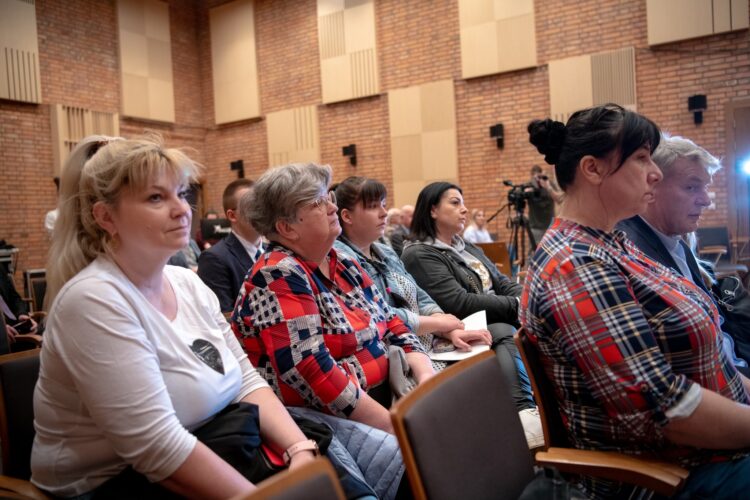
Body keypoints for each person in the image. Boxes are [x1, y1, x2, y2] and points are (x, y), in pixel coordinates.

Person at [32, 135, 316, 498]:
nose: (182, 209)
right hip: (112, 485)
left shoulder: (186, 282)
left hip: (217, 445)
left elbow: (245, 378)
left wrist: (300, 450)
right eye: (156, 197)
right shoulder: (93, 300)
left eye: (181, 193)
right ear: (105, 217)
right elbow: (157, 448)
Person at [524, 104, 750, 498]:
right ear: (593, 169)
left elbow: (713, 356)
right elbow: (666, 409)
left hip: (708, 452)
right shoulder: (576, 265)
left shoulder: (611, 242)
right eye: (642, 158)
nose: (655, 172)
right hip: (671, 475)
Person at [231, 163, 432, 498]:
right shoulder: (277, 273)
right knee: (428, 461)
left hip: (388, 395)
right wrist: (394, 424)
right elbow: (312, 372)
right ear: (287, 228)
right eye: (317, 202)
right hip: (326, 419)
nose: (331, 207)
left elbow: (390, 322)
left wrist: (426, 380)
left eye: (328, 197)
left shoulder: (343, 260)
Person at [400, 181, 543, 448]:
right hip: (456, 329)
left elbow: (503, 282)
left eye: (463, 203)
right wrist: (517, 306)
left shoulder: (465, 246)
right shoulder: (419, 253)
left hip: (496, 314)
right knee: (503, 329)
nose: (464, 209)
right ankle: (524, 413)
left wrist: (527, 299)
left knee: (538, 322)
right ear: (432, 210)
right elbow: (459, 302)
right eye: (455, 203)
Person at [616, 135, 750, 375]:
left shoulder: (675, 242)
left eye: (705, 187)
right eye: (691, 187)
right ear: (651, 186)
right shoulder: (633, 254)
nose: (706, 200)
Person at [332, 176, 492, 372]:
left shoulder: (386, 252)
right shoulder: (339, 259)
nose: (384, 213)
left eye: (384, 205)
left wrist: (449, 330)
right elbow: (379, 315)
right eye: (373, 207)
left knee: (486, 352)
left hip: (424, 341)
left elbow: (419, 296)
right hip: (392, 355)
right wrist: (438, 323)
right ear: (347, 216)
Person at [197, 179, 263, 313]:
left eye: (263, 205)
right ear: (232, 215)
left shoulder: (274, 251)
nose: (262, 212)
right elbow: (222, 318)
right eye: (253, 206)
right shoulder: (214, 258)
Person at [527, 165, 563, 245]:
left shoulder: (548, 183)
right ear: (532, 176)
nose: (537, 180)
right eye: (535, 177)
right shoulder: (529, 185)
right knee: (535, 250)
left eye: (538, 176)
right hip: (535, 226)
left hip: (550, 225)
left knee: (552, 249)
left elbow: (559, 199)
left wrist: (547, 186)